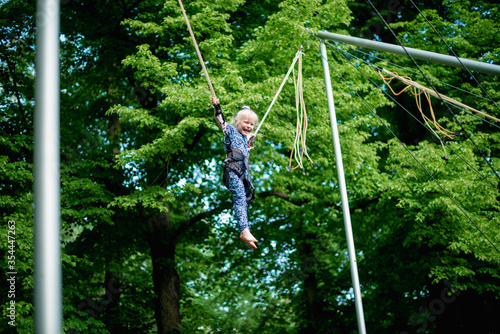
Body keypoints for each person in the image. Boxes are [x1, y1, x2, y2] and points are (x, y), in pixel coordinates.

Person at [212, 97, 259, 249]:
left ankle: (246, 231)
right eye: (246, 123)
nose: (249, 126)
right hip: (232, 170)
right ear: (237, 121)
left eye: (252, 124)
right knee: (239, 198)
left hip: (242, 173)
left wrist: (249, 140)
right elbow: (220, 120)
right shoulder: (230, 131)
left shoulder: (246, 140)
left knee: (243, 201)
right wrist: (217, 106)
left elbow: (246, 149)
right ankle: (244, 230)